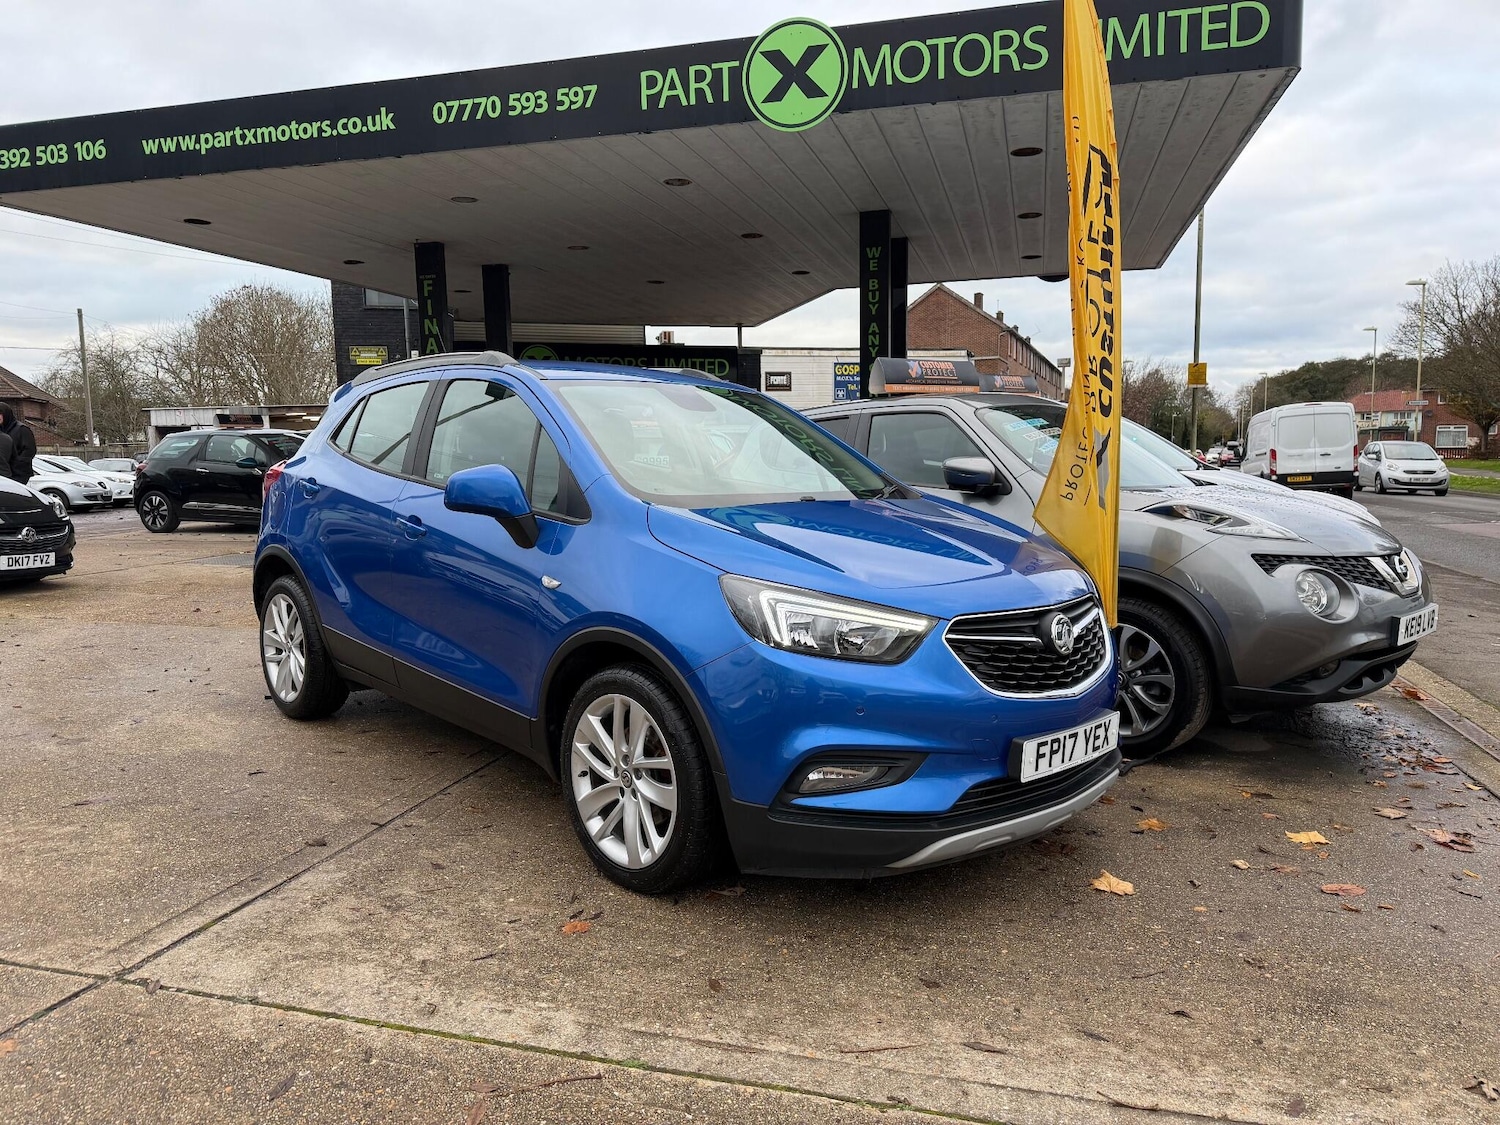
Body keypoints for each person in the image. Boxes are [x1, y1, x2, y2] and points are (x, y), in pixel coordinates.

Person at [0, 402, 36, 484]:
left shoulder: (22, 429)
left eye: (0, 414)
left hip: (19, 473)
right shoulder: (2, 431)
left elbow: (29, 451)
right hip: (6, 472)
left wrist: (17, 463)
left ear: (6, 414)